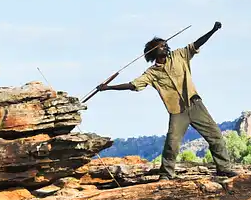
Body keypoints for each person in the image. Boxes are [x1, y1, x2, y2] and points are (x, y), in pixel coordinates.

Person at [97, 22, 237, 179]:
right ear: (153, 51)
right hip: (177, 111)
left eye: (165, 44)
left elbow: (196, 44)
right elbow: (133, 85)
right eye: (160, 45)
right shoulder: (151, 73)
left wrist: (213, 30)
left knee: (216, 135)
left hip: (195, 104)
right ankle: (166, 175)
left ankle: (223, 168)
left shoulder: (179, 55)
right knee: (172, 144)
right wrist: (108, 88)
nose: (165, 46)